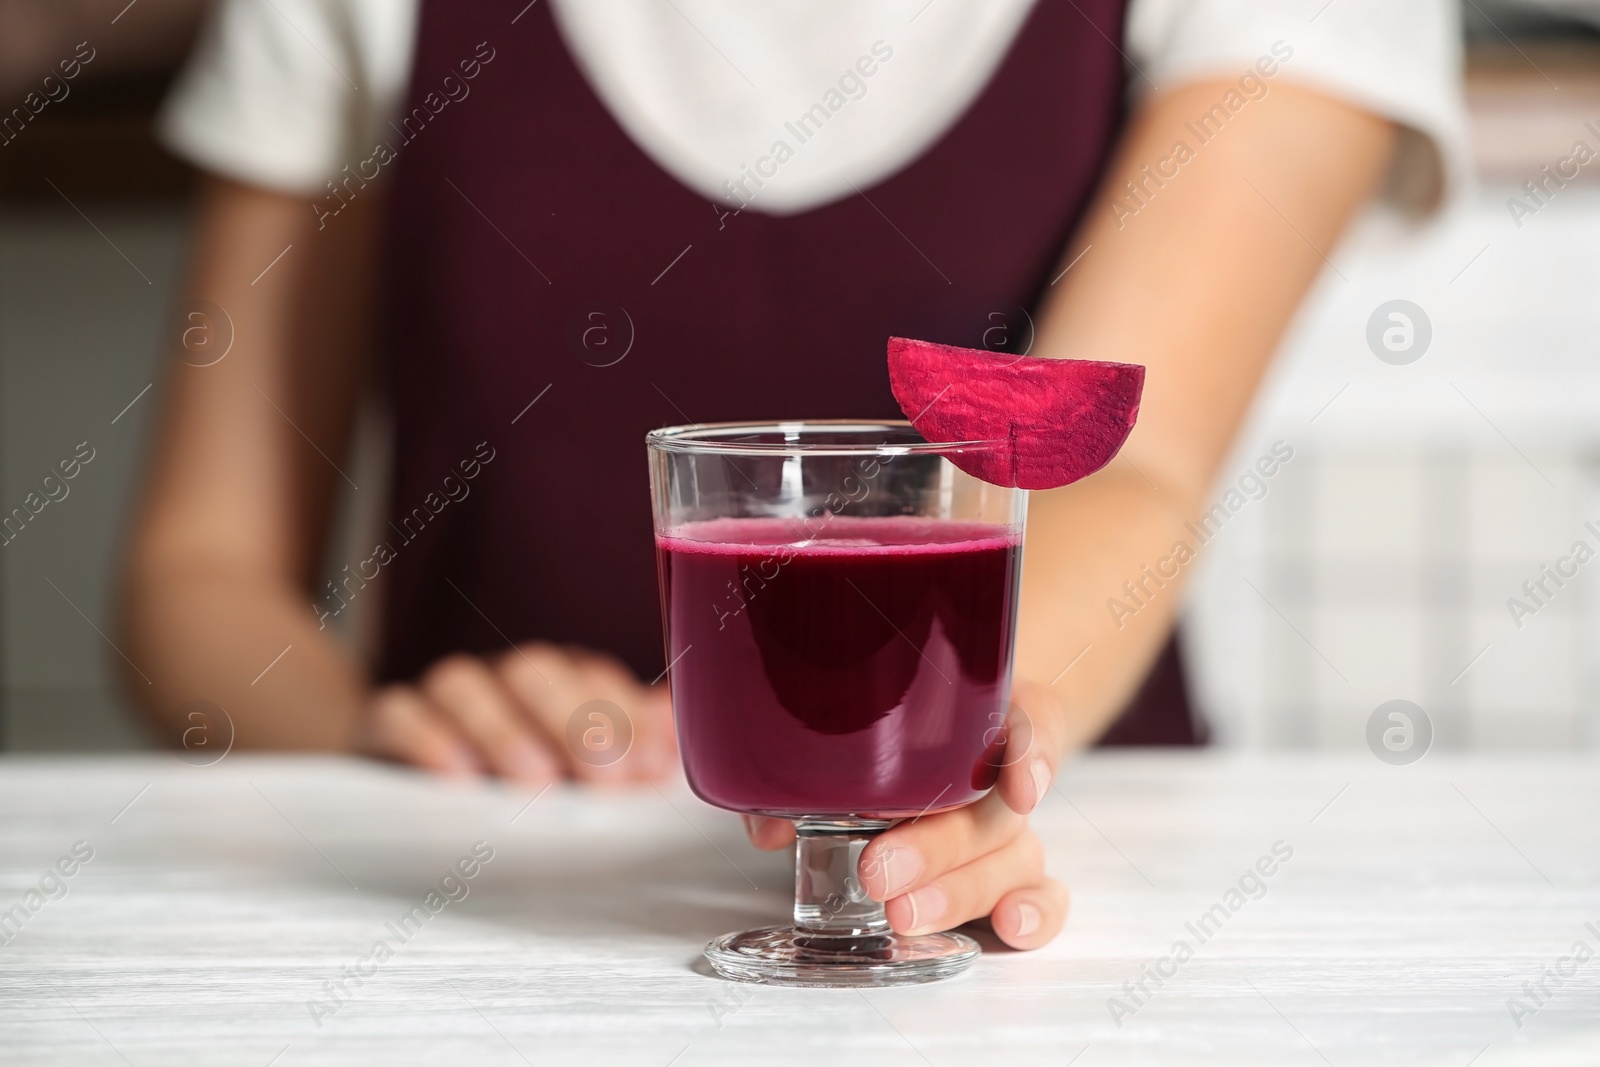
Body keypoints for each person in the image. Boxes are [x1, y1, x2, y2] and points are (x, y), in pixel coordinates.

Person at [119, 0, 1467, 951]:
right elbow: (201, 573)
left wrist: (951, 760)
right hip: (486, 926)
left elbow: (1126, 465)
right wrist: (381, 737)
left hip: (1031, 926)